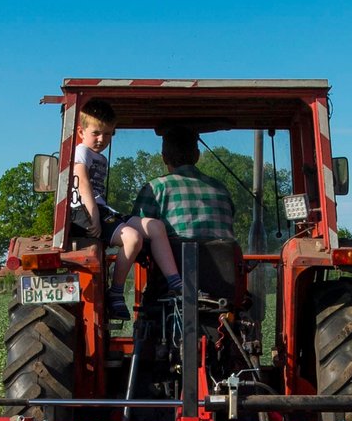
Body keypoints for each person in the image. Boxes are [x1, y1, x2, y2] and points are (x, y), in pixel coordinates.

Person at [66, 99, 155, 320]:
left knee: (152, 228)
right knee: (133, 239)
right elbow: (82, 181)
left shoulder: (100, 157)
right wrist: (94, 216)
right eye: (96, 133)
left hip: (101, 210)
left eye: (108, 134)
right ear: (80, 131)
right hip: (84, 212)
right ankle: (116, 293)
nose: (101, 139)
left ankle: (172, 281)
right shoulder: (82, 152)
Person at [134, 129, 234, 297]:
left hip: (170, 287)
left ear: (164, 157)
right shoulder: (221, 189)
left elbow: (139, 236)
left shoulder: (156, 188)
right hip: (223, 285)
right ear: (197, 156)